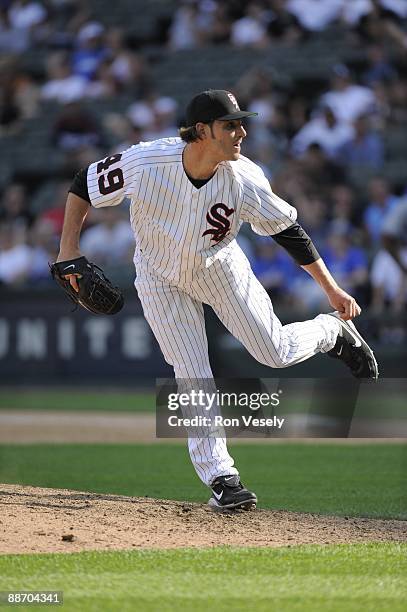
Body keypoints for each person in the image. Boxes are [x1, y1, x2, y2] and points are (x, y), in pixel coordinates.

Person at [55, 89, 378, 511]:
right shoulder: (147, 161)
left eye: (242, 123)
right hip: (158, 275)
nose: (242, 131)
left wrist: (332, 291)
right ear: (202, 131)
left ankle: (331, 332)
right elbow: (85, 182)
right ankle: (222, 477)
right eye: (231, 124)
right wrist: (67, 251)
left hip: (220, 270)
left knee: (274, 352)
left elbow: (288, 231)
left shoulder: (244, 177)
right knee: (191, 372)